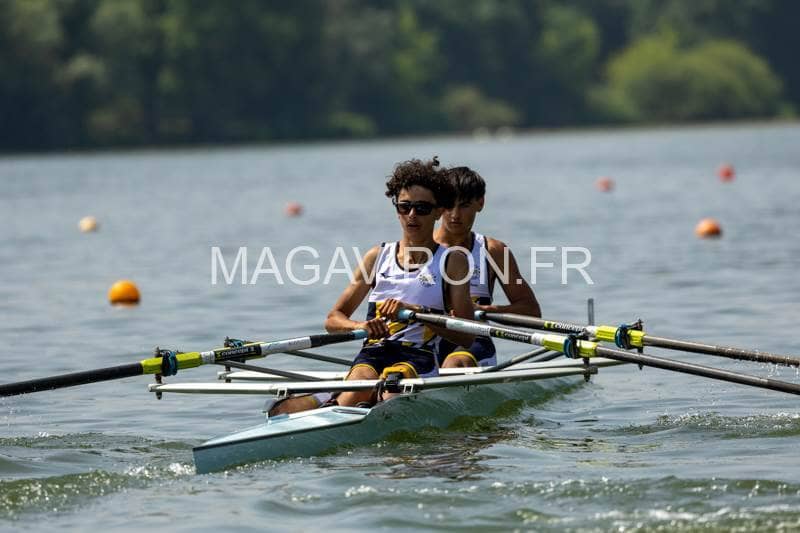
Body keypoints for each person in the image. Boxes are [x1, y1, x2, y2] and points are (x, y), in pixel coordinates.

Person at [269, 157, 474, 414]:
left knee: (392, 390)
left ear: (438, 211)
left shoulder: (452, 261)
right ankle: (336, 406)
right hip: (372, 353)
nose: (412, 215)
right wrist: (360, 326)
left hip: (418, 358)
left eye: (422, 208)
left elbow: (466, 335)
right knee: (359, 382)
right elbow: (333, 319)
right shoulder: (377, 257)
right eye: (405, 207)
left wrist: (416, 312)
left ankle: (350, 405)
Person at [434, 166, 541, 369]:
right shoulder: (420, 249)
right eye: (448, 205)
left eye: (464, 206)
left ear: (480, 203)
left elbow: (531, 311)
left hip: (474, 340)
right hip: (427, 340)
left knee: (454, 363)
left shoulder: (493, 251)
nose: (455, 215)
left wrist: (484, 309)